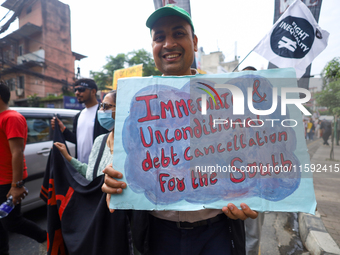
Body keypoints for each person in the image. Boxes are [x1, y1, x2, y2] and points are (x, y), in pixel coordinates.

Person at [102, 5, 258, 255]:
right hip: (157, 233)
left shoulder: (225, 98)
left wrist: (253, 195)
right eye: (159, 37)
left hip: (217, 233)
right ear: (152, 47)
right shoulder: (137, 104)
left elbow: (251, 158)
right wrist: (114, 182)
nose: (168, 43)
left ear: (194, 42)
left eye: (178, 34)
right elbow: (125, 165)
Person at [0, 81, 46, 255]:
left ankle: (46, 238)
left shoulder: (11, 118)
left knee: (12, 222)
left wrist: (16, 185)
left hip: (8, 180)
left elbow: (17, 153)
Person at [54, 90, 116, 180]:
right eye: (101, 106)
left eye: (106, 107)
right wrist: (68, 157)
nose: (101, 111)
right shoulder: (100, 141)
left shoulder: (133, 146)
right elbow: (90, 174)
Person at [51, 78, 108, 164]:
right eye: (75, 90)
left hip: (99, 167)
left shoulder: (103, 112)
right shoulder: (78, 116)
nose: (77, 93)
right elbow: (76, 140)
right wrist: (63, 129)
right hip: (81, 167)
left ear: (93, 91)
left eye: (81, 89)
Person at [241, 66, 265, 255]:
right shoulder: (225, 109)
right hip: (231, 181)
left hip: (257, 181)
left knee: (252, 230)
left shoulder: (268, 112)